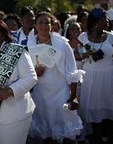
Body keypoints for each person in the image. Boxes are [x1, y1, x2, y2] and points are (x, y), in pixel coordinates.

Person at [27, 12, 83, 143]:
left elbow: (72, 71)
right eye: (40, 22)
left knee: (65, 131)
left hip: (60, 91)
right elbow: (24, 71)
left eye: (47, 22)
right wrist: (35, 72)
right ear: (35, 25)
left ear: (52, 25)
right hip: (40, 93)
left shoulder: (62, 44)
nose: (44, 25)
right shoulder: (28, 44)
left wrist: (73, 96)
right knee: (45, 132)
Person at [78, 8, 113, 143]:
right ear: (96, 23)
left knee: (111, 108)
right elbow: (78, 55)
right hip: (91, 77)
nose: (108, 22)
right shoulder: (83, 37)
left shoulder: (111, 37)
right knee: (94, 108)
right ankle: (98, 138)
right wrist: (87, 54)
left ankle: (112, 137)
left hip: (110, 76)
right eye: (105, 20)